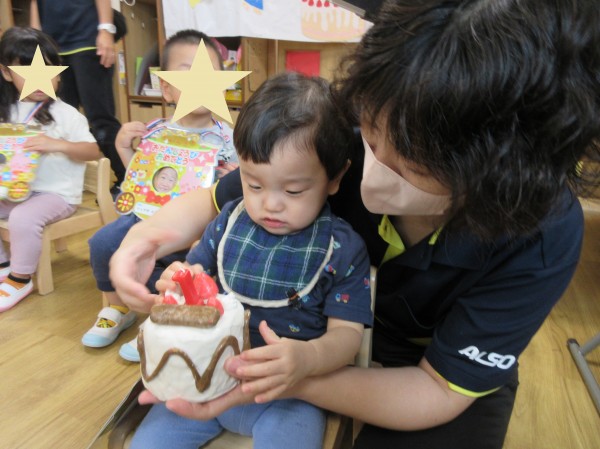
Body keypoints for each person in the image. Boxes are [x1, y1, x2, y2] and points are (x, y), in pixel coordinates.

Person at [110, 0, 600, 448]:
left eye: (407, 163)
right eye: (369, 131)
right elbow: (213, 200)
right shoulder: (327, 145)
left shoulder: (539, 234)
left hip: (425, 365)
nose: (373, 160)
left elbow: (436, 390)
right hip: (295, 340)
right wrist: (144, 237)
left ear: (486, 180)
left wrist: (296, 374)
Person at [128, 71, 373, 449]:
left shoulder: (343, 249)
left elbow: (347, 336)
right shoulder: (228, 222)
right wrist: (180, 281)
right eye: (253, 184)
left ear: (335, 178)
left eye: (293, 190)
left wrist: (308, 357)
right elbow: (195, 274)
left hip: (290, 393)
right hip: (206, 377)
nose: (270, 203)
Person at [82, 30, 238, 362]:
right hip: (146, 218)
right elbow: (141, 182)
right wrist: (124, 149)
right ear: (166, 88)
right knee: (103, 243)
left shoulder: (230, 138)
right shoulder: (155, 131)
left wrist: (232, 176)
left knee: (192, 262)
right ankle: (118, 308)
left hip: (198, 228)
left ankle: (167, 314)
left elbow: (237, 190)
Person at [0, 27, 100, 312]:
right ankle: (4, 265)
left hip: (56, 195)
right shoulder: (7, 111)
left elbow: (93, 151)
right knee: (16, 212)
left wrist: (57, 144)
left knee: (22, 218)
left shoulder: (66, 114)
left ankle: (20, 278)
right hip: (16, 190)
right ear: (6, 73)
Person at [29, 0, 125, 192]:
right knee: (58, 120)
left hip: (88, 43)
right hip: (53, 51)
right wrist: (35, 45)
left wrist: (106, 30)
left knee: (101, 120)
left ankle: (127, 180)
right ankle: (66, 185)